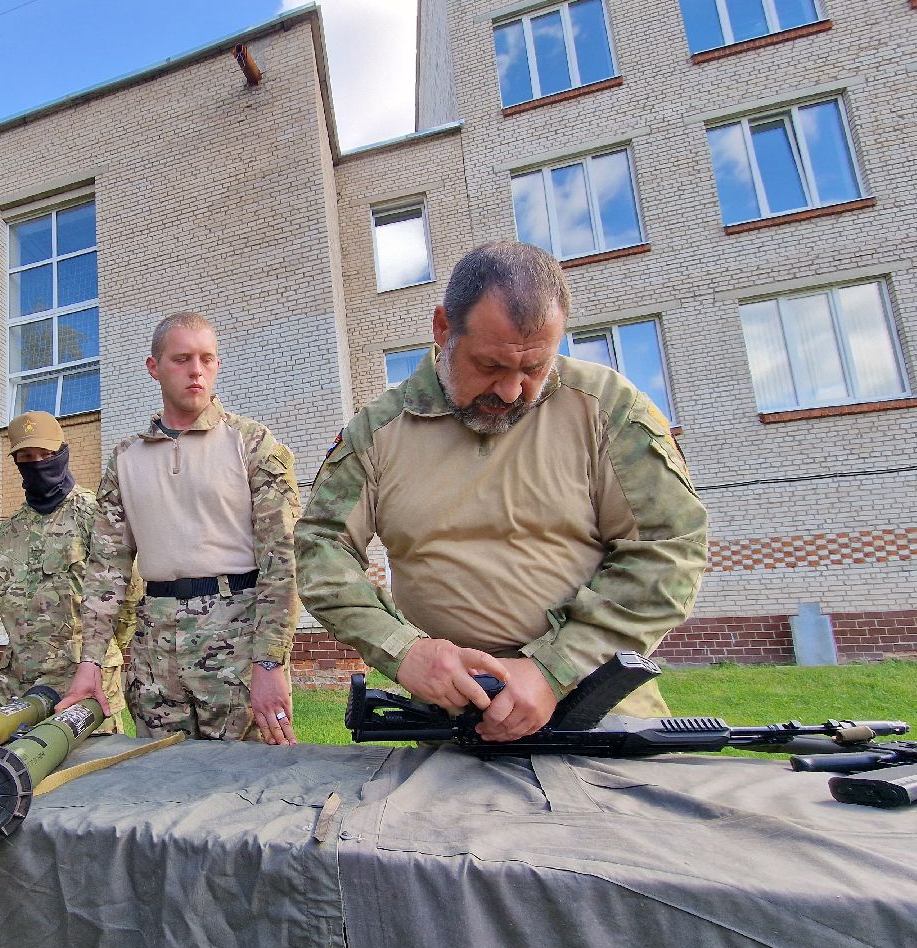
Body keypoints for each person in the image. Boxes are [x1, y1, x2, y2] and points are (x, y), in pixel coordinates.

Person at [296, 241, 708, 739]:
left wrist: (553, 669)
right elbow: (321, 548)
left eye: (534, 369)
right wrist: (403, 650)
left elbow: (670, 548)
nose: (512, 391)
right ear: (443, 329)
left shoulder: (608, 411)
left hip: (598, 708)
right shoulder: (378, 433)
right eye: (491, 366)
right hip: (449, 719)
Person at [57, 312, 302, 745]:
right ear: (154, 367)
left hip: (236, 644)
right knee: (159, 779)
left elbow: (283, 560)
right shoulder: (127, 459)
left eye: (208, 359)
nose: (196, 371)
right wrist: (91, 662)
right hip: (155, 653)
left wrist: (270, 663)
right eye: (182, 359)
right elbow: (105, 571)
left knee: (247, 786)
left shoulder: (251, 444)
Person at [0, 410, 140, 733]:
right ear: (16, 462)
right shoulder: (6, 534)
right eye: (27, 457)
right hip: (22, 688)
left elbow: (129, 594)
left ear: (62, 453)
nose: (38, 463)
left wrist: (101, 651)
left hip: (85, 685)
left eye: (46, 454)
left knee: (92, 778)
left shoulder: (94, 514)